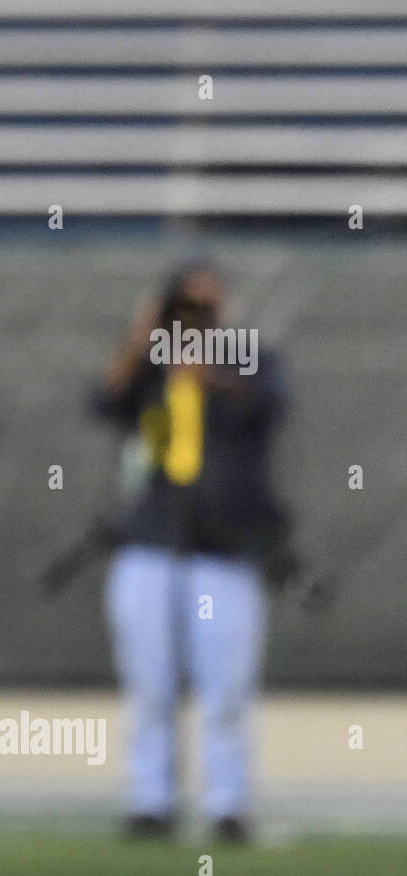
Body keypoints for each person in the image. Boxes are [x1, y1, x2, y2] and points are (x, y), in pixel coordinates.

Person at [92, 263, 288, 845]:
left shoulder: (248, 355)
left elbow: (269, 405)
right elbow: (104, 401)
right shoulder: (149, 366)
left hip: (223, 547)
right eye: (185, 307)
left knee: (225, 686)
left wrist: (206, 367)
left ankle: (228, 803)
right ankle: (150, 799)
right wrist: (144, 337)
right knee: (149, 682)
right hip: (152, 541)